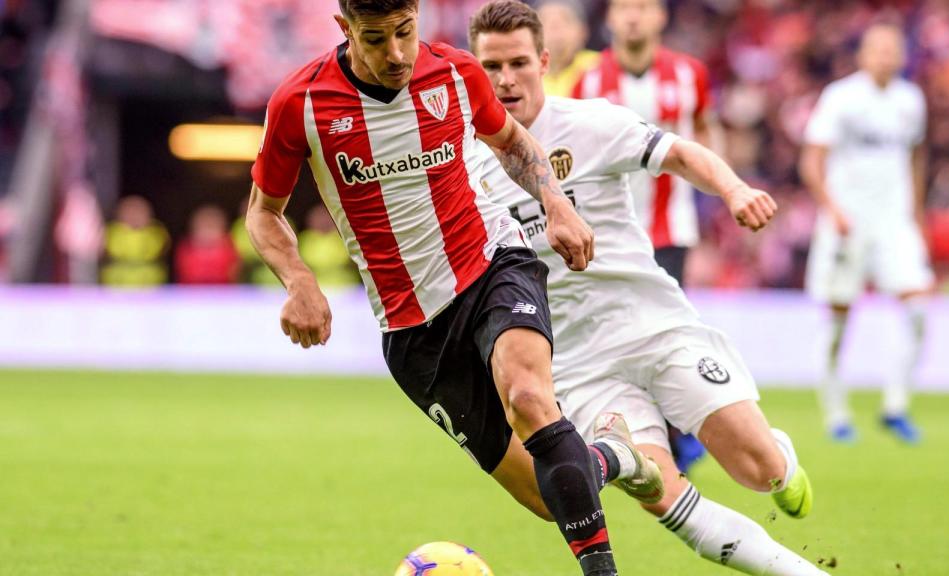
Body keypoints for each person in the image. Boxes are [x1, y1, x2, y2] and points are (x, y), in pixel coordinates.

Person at [246, 2, 661, 575]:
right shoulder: (301, 102)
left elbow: (512, 141)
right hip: (411, 328)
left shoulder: (455, 71)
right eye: (376, 39)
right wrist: (299, 281)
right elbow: (263, 212)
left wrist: (556, 204)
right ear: (344, 29)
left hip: (491, 264)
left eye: (405, 31)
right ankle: (613, 455)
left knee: (528, 399)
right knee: (549, 498)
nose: (396, 53)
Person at [466, 3, 825, 575]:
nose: (506, 80)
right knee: (663, 492)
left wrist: (733, 190)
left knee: (758, 471)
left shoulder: (589, 122)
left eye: (518, 63)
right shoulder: (463, 163)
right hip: (577, 363)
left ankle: (778, 457)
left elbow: (679, 152)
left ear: (544, 61)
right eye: (491, 67)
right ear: (474, 70)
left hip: (653, 322)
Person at [573, 0, 725, 471]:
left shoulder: (689, 75)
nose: (633, 16)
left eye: (643, 7)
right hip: (609, 232)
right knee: (617, 332)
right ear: (610, 19)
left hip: (669, 227)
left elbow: (704, 133)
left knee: (667, 330)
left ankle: (679, 433)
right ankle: (645, 432)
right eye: (625, 8)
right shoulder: (589, 81)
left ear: (661, 17)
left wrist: (714, 191)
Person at [800, 22, 932, 444]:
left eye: (893, 49)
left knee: (918, 309)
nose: (885, 57)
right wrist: (832, 209)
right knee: (839, 321)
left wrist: (916, 215)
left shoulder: (911, 100)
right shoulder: (841, 97)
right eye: (878, 49)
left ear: (902, 55)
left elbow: (915, 158)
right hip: (847, 223)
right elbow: (812, 160)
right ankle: (836, 414)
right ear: (863, 55)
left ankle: (895, 407)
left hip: (894, 222)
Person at [100, 195, 170, 287]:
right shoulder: (110, 232)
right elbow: (110, 249)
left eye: (139, 212)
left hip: (149, 283)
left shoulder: (156, 233)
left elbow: (158, 248)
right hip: (116, 283)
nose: (134, 216)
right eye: (129, 212)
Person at [537, 0, 597, 97]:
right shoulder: (523, 74)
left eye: (566, 20)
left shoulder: (598, 66)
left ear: (583, 31)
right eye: (545, 21)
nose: (555, 28)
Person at [297, 204, 360, 288]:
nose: (323, 222)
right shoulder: (306, 238)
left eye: (326, 218)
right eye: (319, 218)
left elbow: (351, 261)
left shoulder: (341, 237)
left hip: (345, 287)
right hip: (316, 286)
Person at [175, 204, 240, 285]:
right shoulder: (186, 248)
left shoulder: (229, 246)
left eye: (212, 227)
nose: (208, 233)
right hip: (193, 289)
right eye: (204, 227)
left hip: (222, 289)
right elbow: (185, 271)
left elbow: (233, 271)